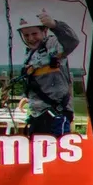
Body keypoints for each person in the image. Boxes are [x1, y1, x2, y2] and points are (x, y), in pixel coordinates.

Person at [14, 8, 79, 137]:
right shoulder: (30, 54)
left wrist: (55, 25)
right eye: (26, 35)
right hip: (36, 113)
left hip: (56, 112)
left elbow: (72, 41)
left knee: (56, 152)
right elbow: (34, 80)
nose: (31, 38)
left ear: (44, 31)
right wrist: (25, 97)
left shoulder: (53, 44)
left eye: (34, 33)